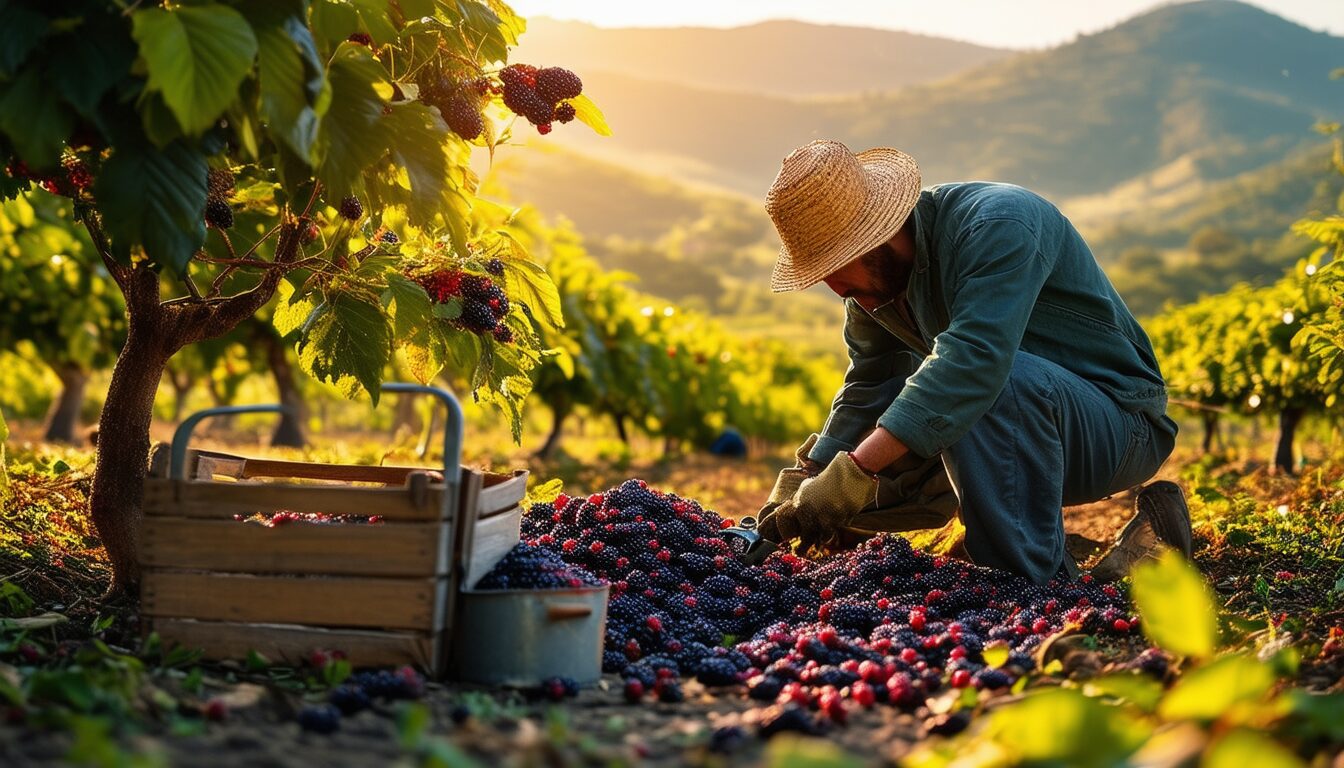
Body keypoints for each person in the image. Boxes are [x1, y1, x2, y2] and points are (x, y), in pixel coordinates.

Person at [754, 140, 1191, 584]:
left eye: (834, 269)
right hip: (1008, 428)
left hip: (1114, 427)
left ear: (875, 239)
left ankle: (1029, 581)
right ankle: (1140, 540)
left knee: (984, 383)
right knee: (856, 479)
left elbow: (975, 361)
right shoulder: (872, 291)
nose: (835, 289)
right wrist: (807, 479)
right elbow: (869, 385)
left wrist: (855, 472)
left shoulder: (999, 224)